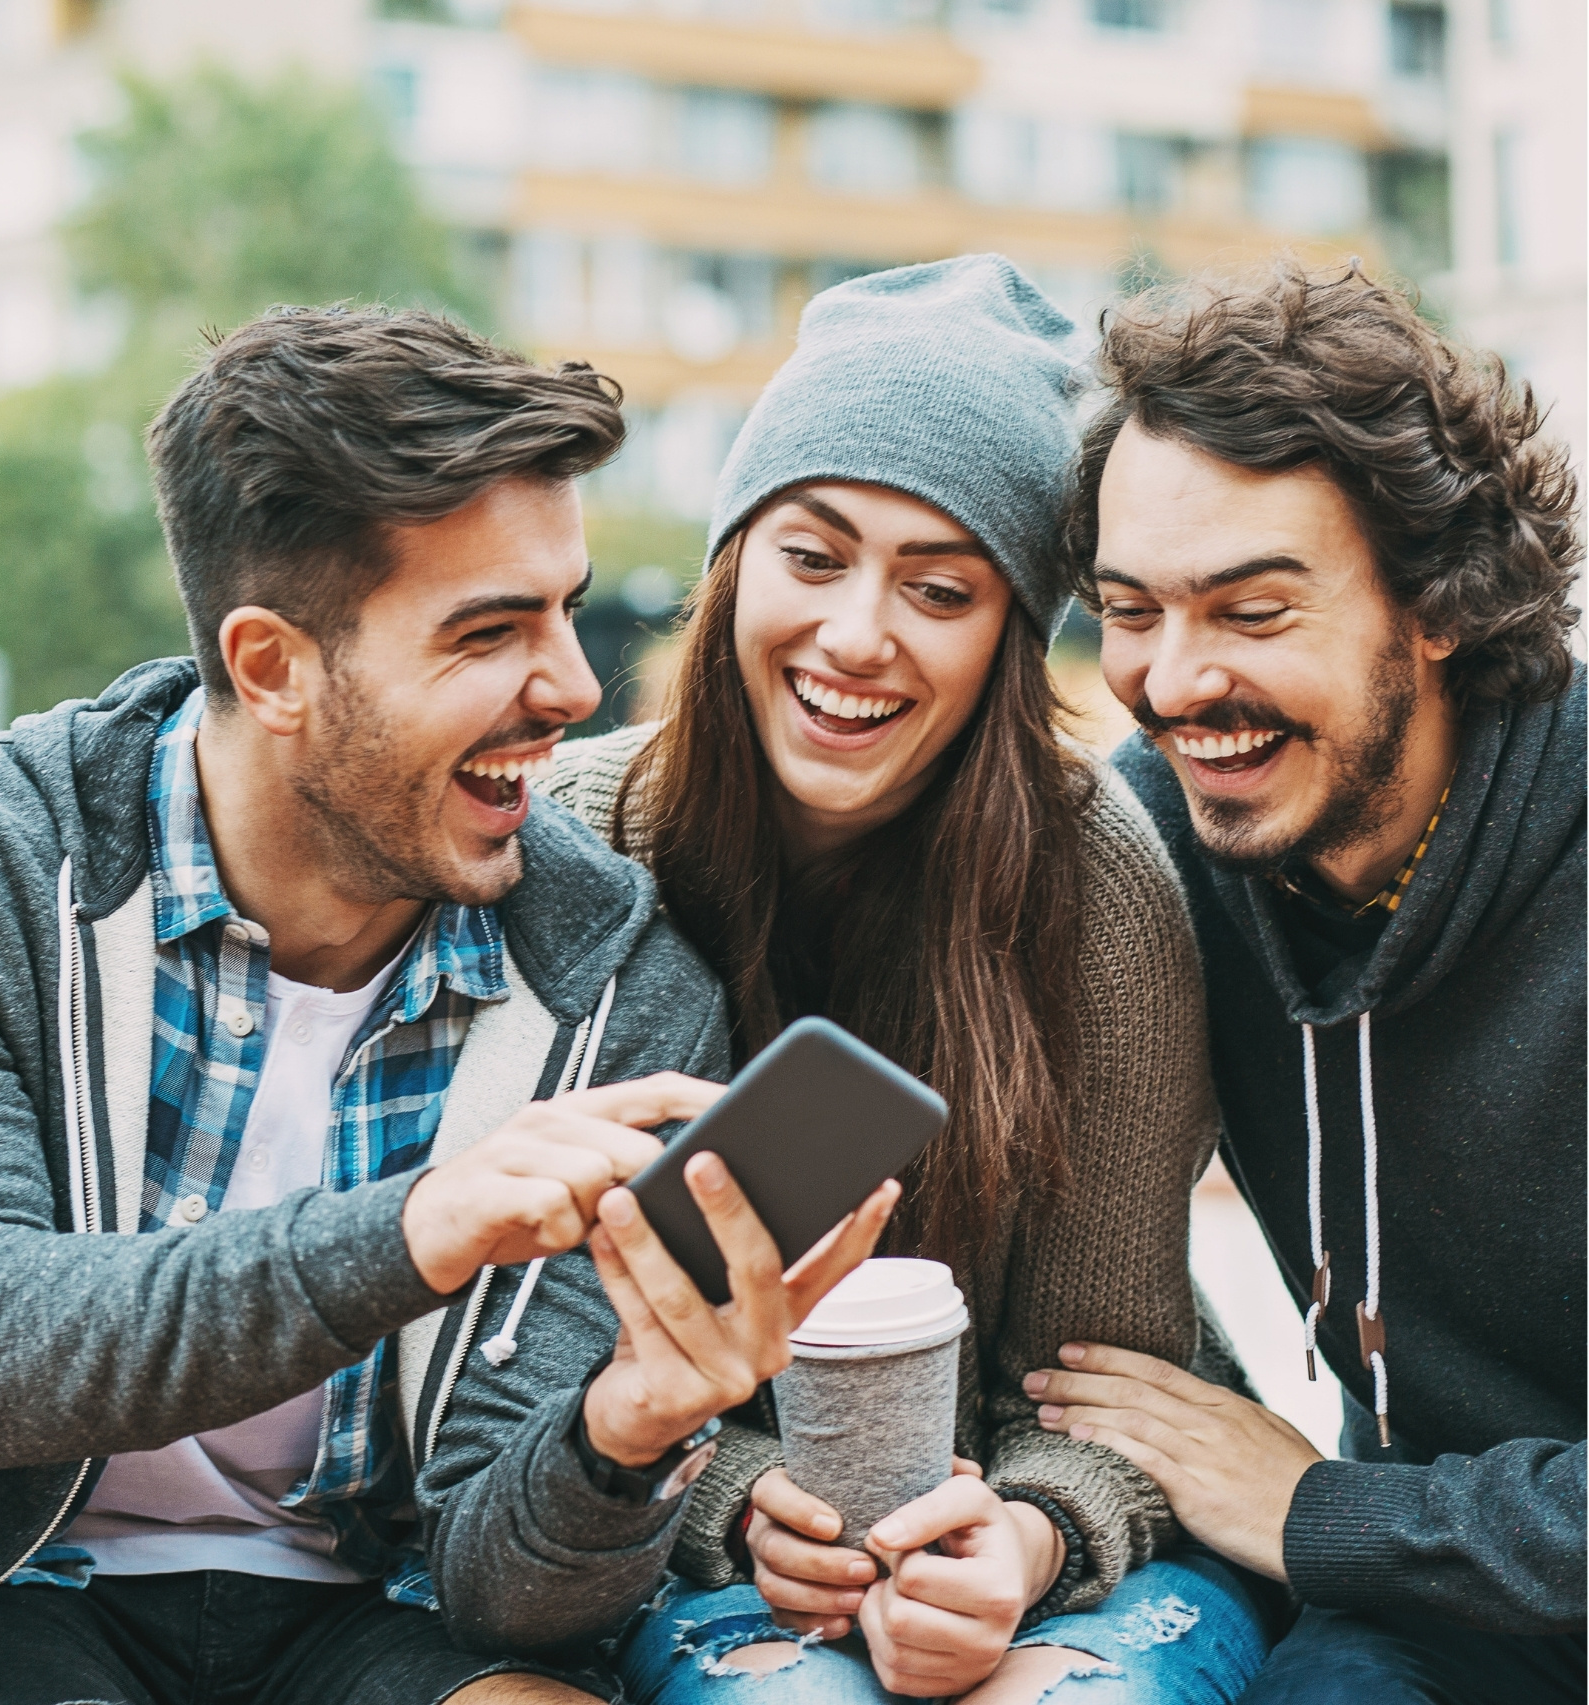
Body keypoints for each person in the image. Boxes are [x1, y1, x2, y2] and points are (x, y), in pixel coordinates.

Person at [0, 306, 893, 1705]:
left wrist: (628, 1434)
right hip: (5, 1591)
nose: (569, 683)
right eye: (490, 631)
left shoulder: (613, 977)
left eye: (565, 605)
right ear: (273, 667)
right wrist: (419, 1228)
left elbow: (510, 1585)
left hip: (382, 1607)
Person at [540, 255, 1276, 1703]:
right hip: (686, 1543)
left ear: (1012, 633)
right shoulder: (571, 843)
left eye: (938, 587)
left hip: (1072, 1541)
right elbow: (516, 1371)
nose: (857, 634)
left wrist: (1018, 1538)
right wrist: (745, 1500)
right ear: (731, 562)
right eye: (811, 557)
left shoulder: (1099, 886)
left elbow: (1105, 1381)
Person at [1030, 261, 1584, 1704]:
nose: (1171, 680)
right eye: (1130, 610)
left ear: (1441, 603)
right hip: (1434, 1608)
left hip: (1412, 1537)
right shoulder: (1156, 842)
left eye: (1253, 611)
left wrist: (1320, 1510)